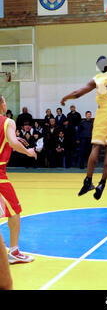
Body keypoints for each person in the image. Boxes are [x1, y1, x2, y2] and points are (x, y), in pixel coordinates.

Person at [60, 13, 107, 199]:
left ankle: (88, 181)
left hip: (104, 113)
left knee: (96, 148)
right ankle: (102, 183)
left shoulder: (97, 78)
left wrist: (65, 98)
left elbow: (78, 93)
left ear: (99, 67)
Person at [0, 94, 36, 264]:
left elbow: (10, 141)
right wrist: (28, 152)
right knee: (14, 212)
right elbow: (13, 143)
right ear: (2, 104)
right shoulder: (8, 121)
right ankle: (14, 252)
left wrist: (11, 139)